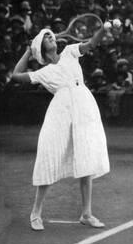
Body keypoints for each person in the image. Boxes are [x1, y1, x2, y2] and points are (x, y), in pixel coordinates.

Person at [11, 26, 110, 231]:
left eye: (51, 35)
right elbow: (16, 75)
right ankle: (36, 213)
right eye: (46, 37)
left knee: (86, 158)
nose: (51, 37)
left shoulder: (70, 52)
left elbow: (91, 43)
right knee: (49, 156)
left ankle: (86, 214)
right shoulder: (43, 71)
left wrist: (104, 28)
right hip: (60, 113)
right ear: (41, 47)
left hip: (84, 108)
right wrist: (29, 51)